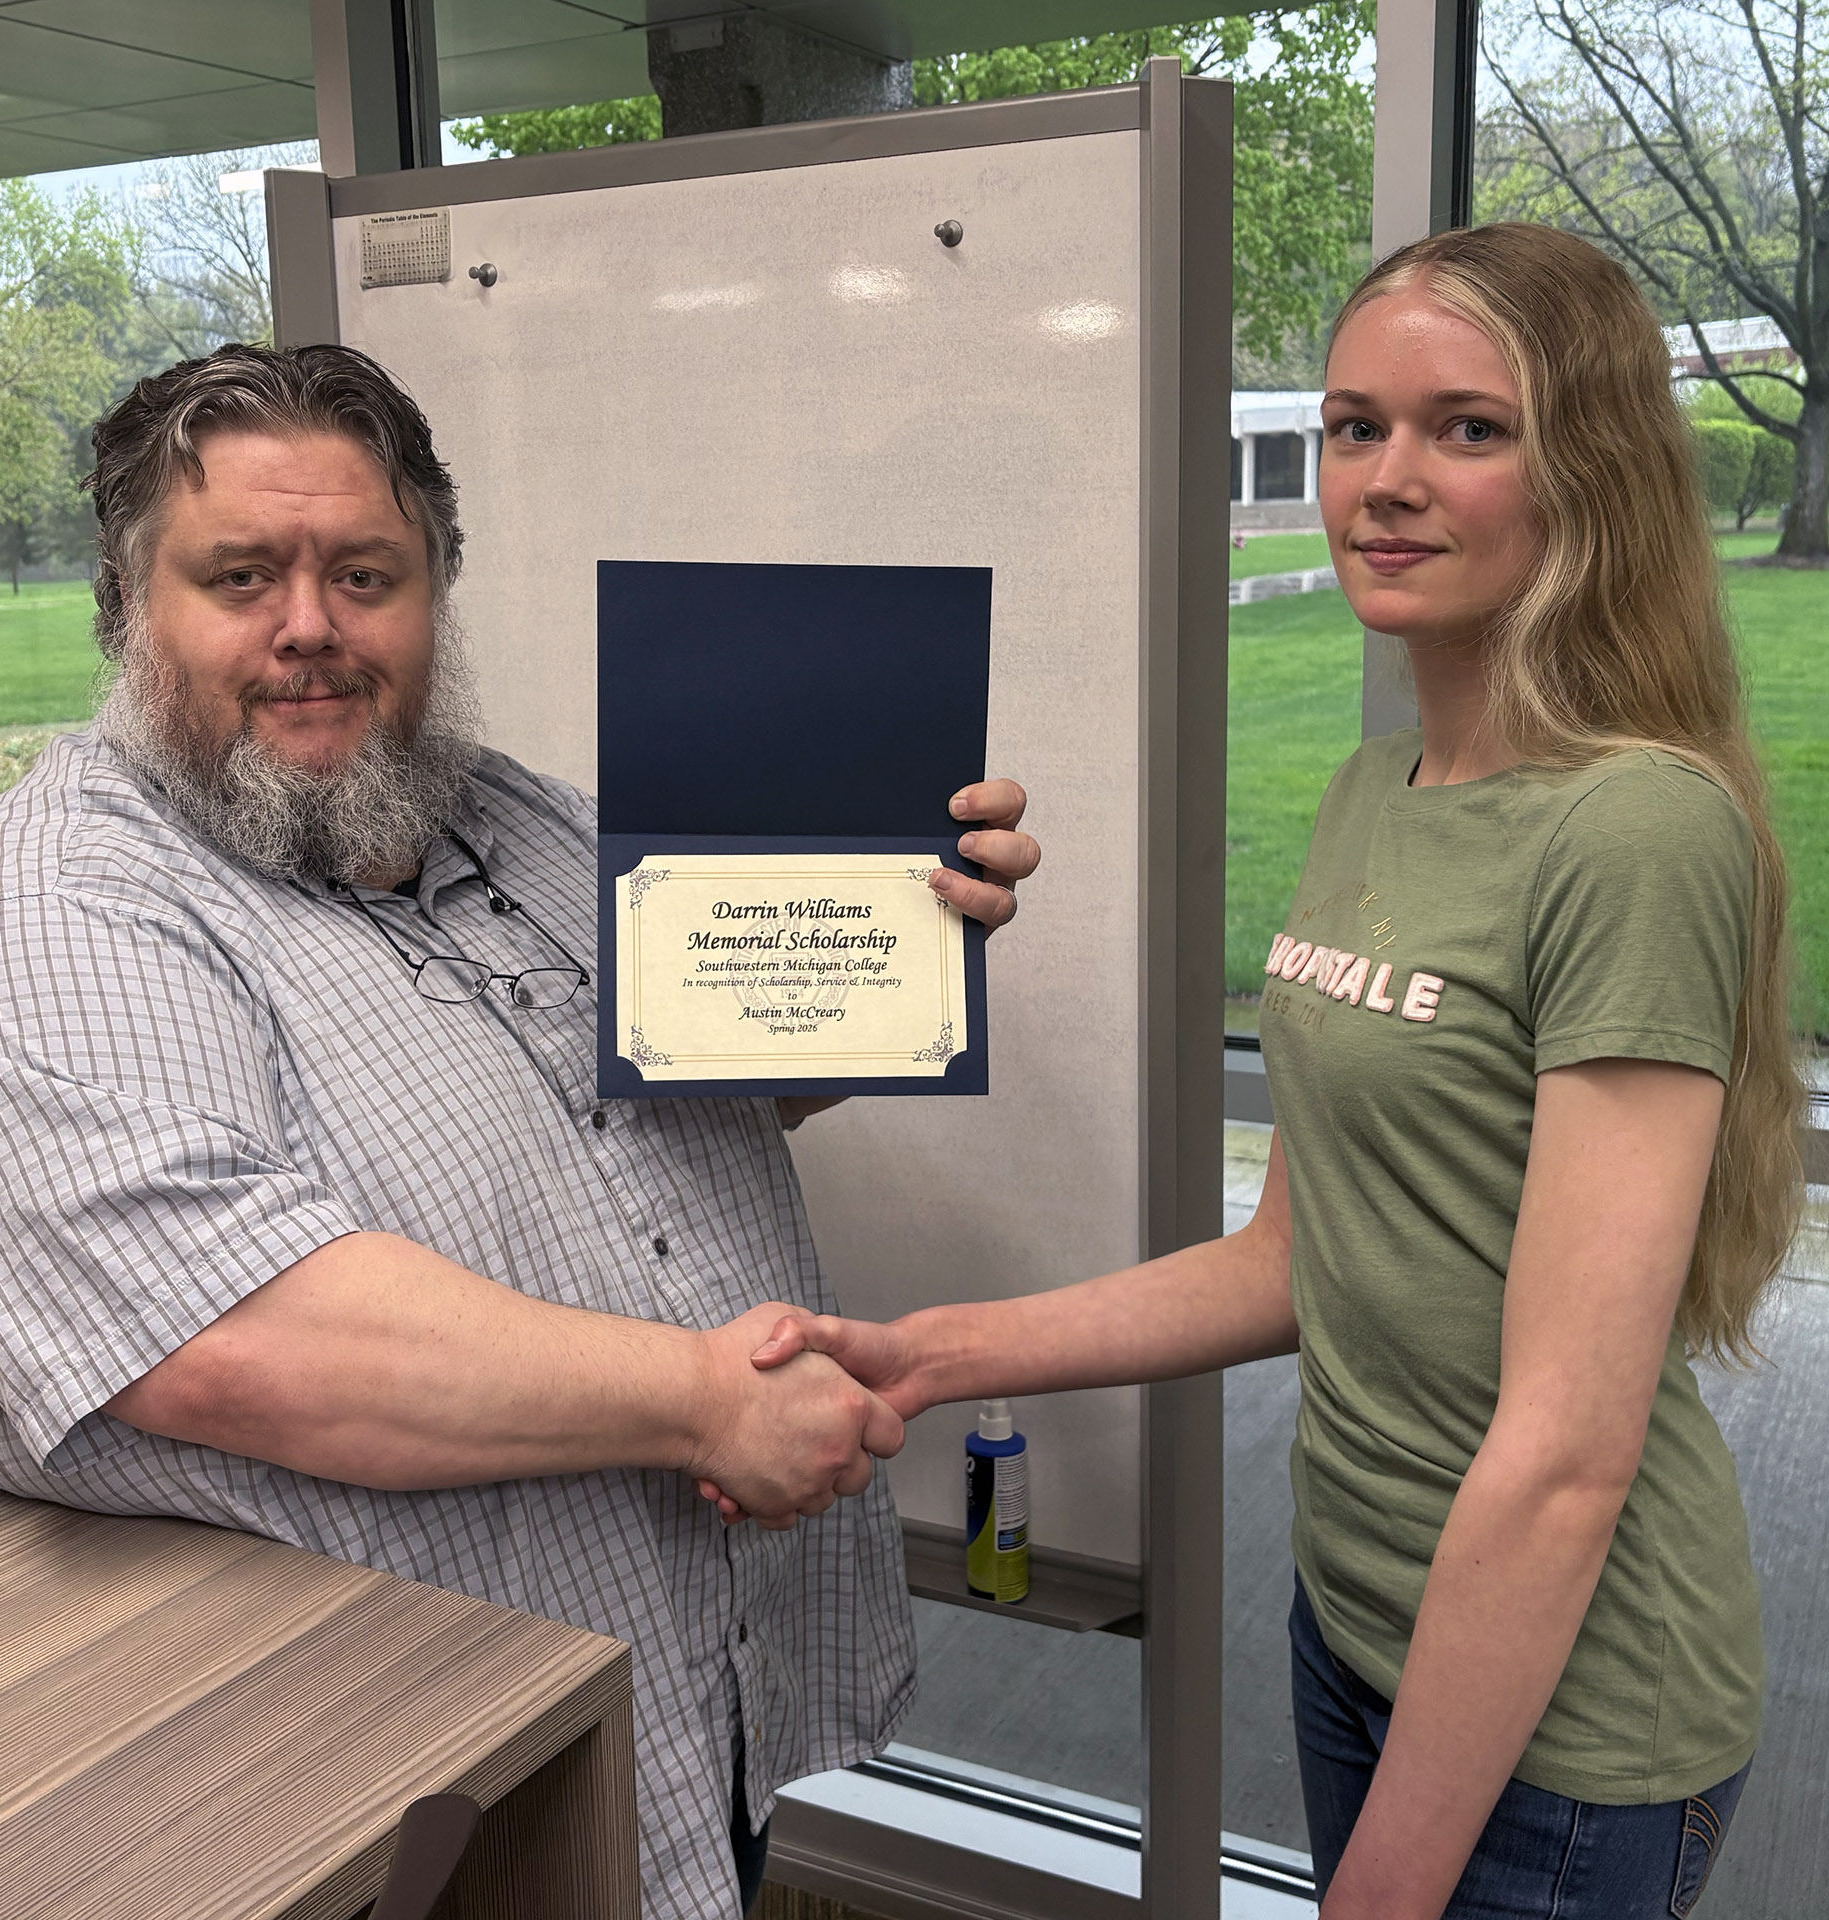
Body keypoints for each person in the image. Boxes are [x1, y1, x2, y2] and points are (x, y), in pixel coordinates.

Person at [728, 224, 1806, 1918]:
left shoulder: (1636, 827)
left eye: (1468, 428)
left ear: (1588, 468)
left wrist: (1386, 1886)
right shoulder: (1379, 790)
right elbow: (1292, 1259)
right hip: (1359, 1623)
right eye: (1353, 425)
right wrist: (929, 1350)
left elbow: (1567, 1451)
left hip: (1566, 1715)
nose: (1385, 479)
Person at [0, 343, 1041, 1920]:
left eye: (366, 573)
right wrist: (705, 1399)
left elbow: (704, 1093)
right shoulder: (44, 914)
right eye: (241, 574)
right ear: (126, 604)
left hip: (674, 1691)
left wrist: (893, 958)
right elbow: (230, 1336)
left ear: (433, 588)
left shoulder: (511, 816)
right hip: (399, 1801)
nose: (312, 626)